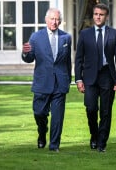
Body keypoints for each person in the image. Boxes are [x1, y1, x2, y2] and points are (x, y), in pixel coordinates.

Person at [75, 3, 116, 153]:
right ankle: (94, 135)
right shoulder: (84, 34)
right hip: (89, 77)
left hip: (107, 76)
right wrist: (78, 79)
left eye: (101, 14)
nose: (98, 17)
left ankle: (102, 142)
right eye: (96, 14)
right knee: (91, 108)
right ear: (93, 15)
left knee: (106, 111)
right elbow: (79, 59)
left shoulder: (114, 34)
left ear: (106, 17)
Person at [22, 8, 72, 152]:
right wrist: (25, 53)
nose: (55, 22)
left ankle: (54, 145)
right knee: (39, 113)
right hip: (42, 83)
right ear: (46, 20)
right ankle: (42, 133)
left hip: (59, 84)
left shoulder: (66, 38)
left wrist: (67, 80)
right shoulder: (36, 37)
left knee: (57, 117)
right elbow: (29, 58)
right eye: (52, 19)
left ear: (60, 21)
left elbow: (67, 61)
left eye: (57, 19)